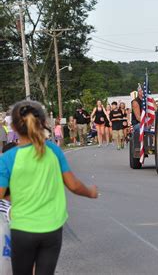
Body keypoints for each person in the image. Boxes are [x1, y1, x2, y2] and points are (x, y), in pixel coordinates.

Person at [0, 100, 98, 275]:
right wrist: (90, 192)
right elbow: (74, 185)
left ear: (13, 127)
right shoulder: (53, 150)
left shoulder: (8, 158)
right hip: (52, 229)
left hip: (22, 229)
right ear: (43, 123)